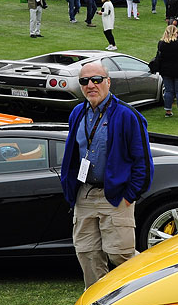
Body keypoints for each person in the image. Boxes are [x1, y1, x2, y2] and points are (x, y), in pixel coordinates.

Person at [59, 62, 154, 289]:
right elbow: (73, 154)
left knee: (120, 255)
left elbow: (143, 163)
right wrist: (71, 189)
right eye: (85, 81)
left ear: (108, 82)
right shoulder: (77, 113)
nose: (91, 85)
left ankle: (141, 297)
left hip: (116, 196)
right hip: (85, 195)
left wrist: (129, 195)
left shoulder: (128, 115)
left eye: (97, 79)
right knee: (87, 254)